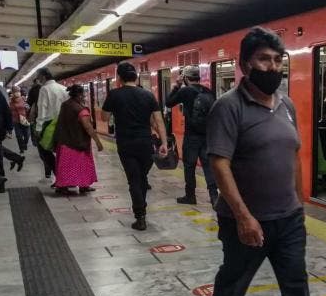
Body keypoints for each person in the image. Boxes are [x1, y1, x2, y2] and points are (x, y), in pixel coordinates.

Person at [206, 27, 326, 296]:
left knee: (296, 285)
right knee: (235, 278)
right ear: (246, 64)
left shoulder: (287, 104)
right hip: (245, 221)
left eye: (278, 60)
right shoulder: (228, 107)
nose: (272, 66)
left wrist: (301, 202)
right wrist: (244, 217)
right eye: (264, 59)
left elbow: (294, 154)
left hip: (288, 219)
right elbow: (219, 164)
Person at [101, 62, 168, 230]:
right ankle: (141, 209)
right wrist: (165, 142)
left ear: (119, 78)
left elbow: (103, 118)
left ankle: (140, 217)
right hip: (146, 143)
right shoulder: (148, 95)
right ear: (136, 76)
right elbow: (158, 121)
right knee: (142, 178)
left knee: (134, 180)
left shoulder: (114, 95)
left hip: (126, 144)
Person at [165, 65, 218, 205]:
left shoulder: (185, 91)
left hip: (191, 136)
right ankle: (214, 197)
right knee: (208, 166)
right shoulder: (208, 91)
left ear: (186, 78)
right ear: (198, 78)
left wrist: (177, 86)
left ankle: (190, 196)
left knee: (189, 166)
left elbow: (168, 103)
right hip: (207, 136)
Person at [52, 85, 103, 195]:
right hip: (77, 143)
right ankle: (83, 185)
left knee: (65, 167)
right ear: (79, 95)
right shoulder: (80, 109)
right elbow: (88, 127)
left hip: (64, 142)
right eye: (83, 95)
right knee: (81, 165)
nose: (84, 97)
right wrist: (98, 142)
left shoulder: (65, 105)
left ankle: (62, 187)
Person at [35, 67, 68, 180]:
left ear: (43, 77)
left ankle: (59, 176)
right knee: (61, 152)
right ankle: (65, 177)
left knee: (44, 151)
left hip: (49, 125)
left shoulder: (44, 89)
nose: (37, 79)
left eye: (38, 77)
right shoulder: (64, 88)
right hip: (64, 124)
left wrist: (38, 128)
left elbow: (42, 109)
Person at [10, 86, 31, 153]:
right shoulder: (10, 101)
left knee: (27, 135)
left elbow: (28, 107)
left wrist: (27, 108)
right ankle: (21, 148)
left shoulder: (24, 99)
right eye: (15, 91)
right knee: (18, 136)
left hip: (24, 119)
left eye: (18, 91)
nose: (17, 93)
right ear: (12, 92)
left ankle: (25, 144)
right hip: (16, 121)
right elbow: (9, 110)